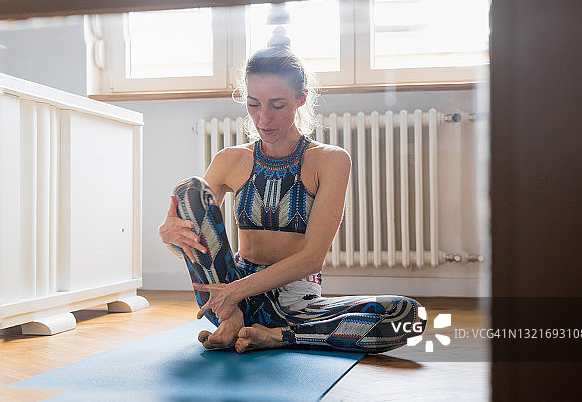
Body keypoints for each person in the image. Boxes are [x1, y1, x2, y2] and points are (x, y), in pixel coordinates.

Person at [158, 44, 425, 354]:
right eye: (254, 103)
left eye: (277, 104)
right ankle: (236, 321)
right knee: (190, 189)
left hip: (295, 303)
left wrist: (234, 292)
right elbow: (194, 236)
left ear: (301, 98)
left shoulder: (331, 161)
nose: (263, 117)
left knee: (408, 316)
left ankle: (278, 335)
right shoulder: (230, 159)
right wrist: (167, 235)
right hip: (231, 297)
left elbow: (312, 258)